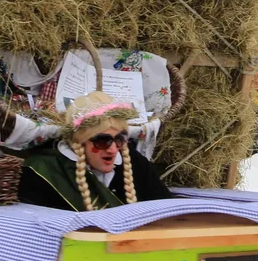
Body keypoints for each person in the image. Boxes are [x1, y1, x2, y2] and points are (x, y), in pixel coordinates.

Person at [18, 91, 172, 212]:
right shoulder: (41, 172)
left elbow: (165, 212)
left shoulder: (134, 163)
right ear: (79, 141)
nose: (112, 149)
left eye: (119, 138)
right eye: (102, 140)